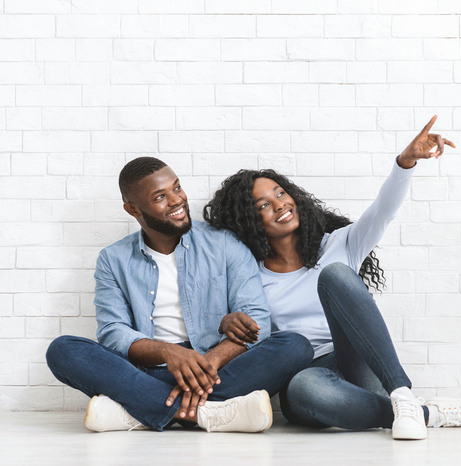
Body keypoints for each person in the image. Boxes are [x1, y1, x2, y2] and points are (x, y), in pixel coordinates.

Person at [204, 116, 461, 440]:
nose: (280, 205)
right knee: (304, 388)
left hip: (360, 362)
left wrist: (406, 162)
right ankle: (430, 414)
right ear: (251, 221)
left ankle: (402, 394)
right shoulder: (251, 277)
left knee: (334, 276)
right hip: (306, 374)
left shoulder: (340, 243)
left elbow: (383, 211)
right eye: (264, 204)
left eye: (280, 193)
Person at [45, 157, 313, 433]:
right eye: (161, 196)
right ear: (132, 209)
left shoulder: (223, 242)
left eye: (177, 188)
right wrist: (167, 351)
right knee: (63, 350)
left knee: (295, 346)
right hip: (145, 371)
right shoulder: (113, 259)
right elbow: (113, 332)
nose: (176, 200)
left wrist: (209, 362)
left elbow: (257, 318)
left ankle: (141, 411)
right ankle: (210, 413)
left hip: (217, 371)